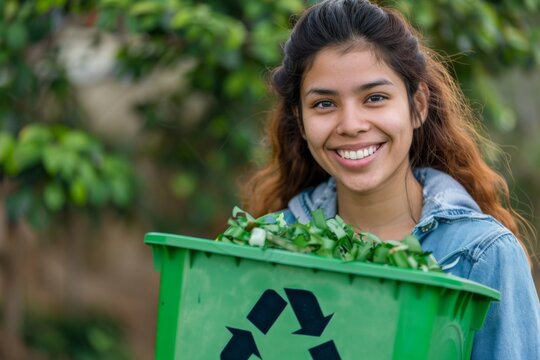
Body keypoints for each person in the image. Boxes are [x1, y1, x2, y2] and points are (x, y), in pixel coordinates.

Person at [241, 0, 540, 358]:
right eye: (324, 104)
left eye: (375, 98)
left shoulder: (480, 257)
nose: (351, 124)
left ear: (418, 106)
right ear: (300, 119)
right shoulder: (268, 245)